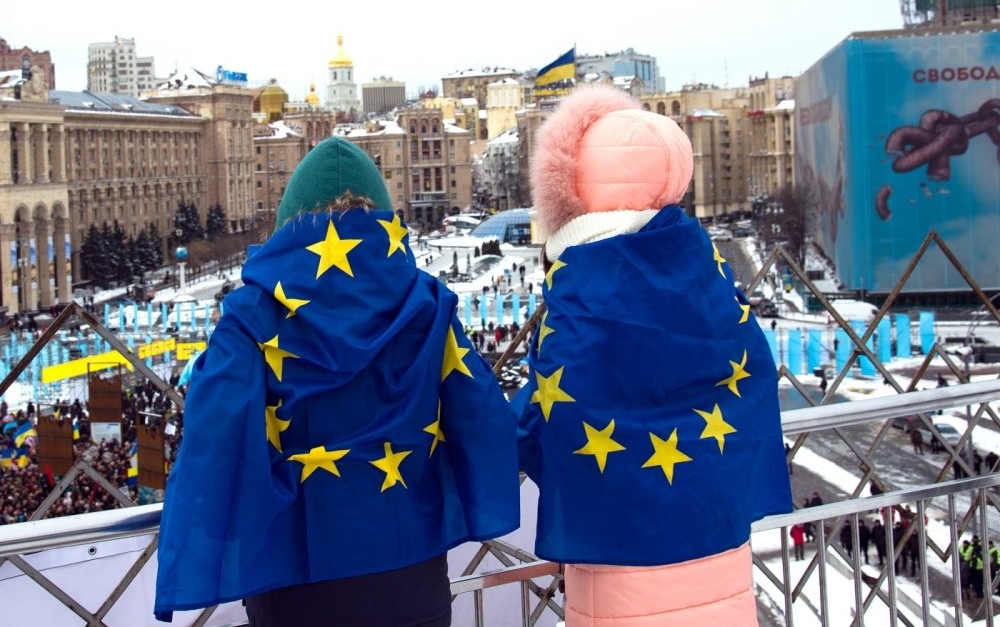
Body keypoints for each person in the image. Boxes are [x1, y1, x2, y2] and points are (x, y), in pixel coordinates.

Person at [154, 138, 520, 624]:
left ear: (290, 222)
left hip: (298, 580)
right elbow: (482, 416)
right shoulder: (428, 304)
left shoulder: (252, 317)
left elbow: (213, 434)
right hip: (413, 572)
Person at [511, 86, 791, 625]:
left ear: (573, 193)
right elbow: (752, 379)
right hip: (719, 543)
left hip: (623, 562)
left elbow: (553, 410)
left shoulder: (584, 290)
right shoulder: (707, 273)